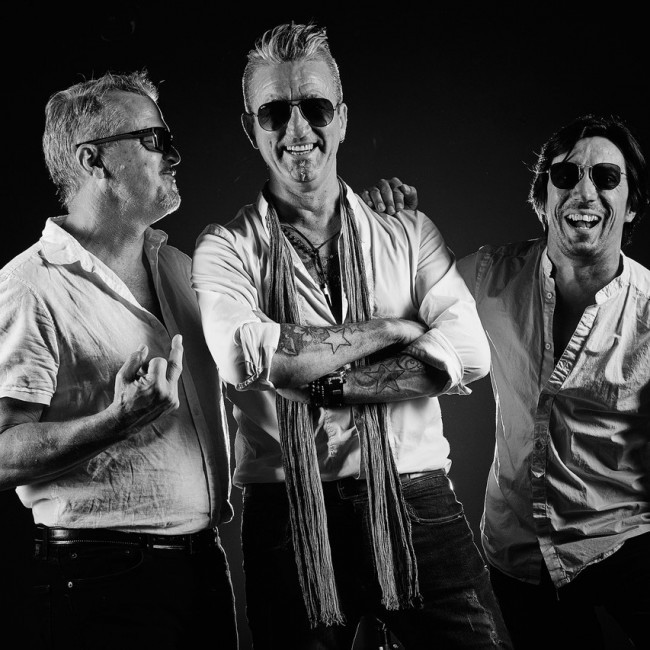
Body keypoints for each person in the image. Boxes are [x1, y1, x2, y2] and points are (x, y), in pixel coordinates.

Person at [192, 21, 512, 649]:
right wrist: (397, 328)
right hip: (288, 517)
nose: (297, 129)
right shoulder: (224, 248)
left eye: (314, 107)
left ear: (340, 118)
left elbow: (470, 351)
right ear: (251, 128)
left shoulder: (408, 232)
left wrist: (332, 382)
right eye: (274, 112)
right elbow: (246, 358)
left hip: (416, 500)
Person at [362, 114, 650, 649]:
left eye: (607, 177)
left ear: (631, 204)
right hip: (518, 552)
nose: (584, 191)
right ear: (544, 198)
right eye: (566, 176)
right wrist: (388, 233)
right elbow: (400, 305)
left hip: (624, 543)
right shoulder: (489, 276)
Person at [0, 71, 238, 650]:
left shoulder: (181, 269)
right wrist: (117, 420)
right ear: (94, 160)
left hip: (204, 566)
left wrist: (377, 217)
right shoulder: (30, 286)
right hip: (100, 579)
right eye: (155, 140)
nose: (174, 156)